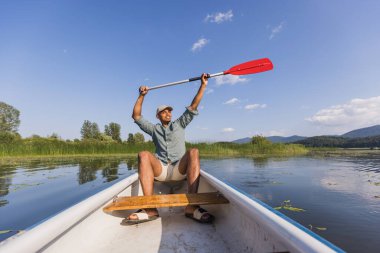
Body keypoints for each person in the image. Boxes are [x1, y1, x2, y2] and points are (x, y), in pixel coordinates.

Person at [127, 73, 213, 224]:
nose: (168, 113)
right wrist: (142, 96)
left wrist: (203, 85)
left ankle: (192, 206)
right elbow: (136, 115)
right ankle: (150, 208)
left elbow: (193, 106)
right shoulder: (154, 129)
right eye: (164, 111)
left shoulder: (179, 124)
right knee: (143, 154)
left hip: (178, 168)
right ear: (158, 116)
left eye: (170, 111)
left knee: (194, 151)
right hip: (161, 170)